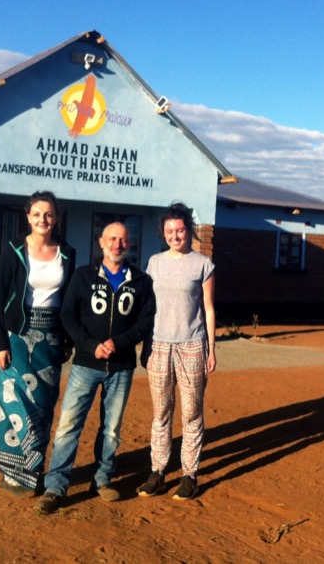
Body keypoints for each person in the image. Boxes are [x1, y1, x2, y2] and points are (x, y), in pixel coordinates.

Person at [35, 222, 156, 513]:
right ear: (101, 242)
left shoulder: (141, 281)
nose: (118, 244)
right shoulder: (83, 276)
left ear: (130, 245)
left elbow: (146, 320)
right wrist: (90, 345)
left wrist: (120, 342)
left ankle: (102, 479)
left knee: (112, 429)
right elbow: (68, 315)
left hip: (122, 367)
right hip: (86, 365)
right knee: (68, 426)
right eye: (112, 238)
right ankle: (56, 486)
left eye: (124, 239)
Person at [0, 191, 76, 496]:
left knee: (42, 407)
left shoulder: (66, 252)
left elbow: (68, 302)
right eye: (37, 214)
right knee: (14, 404)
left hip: (50, 341)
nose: (43, 220)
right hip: (15, 338)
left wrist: (67, 339)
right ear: (28, 216)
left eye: (49, 214)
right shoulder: (14, 251)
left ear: (56, 218)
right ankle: (14, 473)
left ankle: (33, 471)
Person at [137, 202, 217, 501]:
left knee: (192, 412)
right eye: (170, 231)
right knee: (161, 412)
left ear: (189, 230)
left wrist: (211, 349)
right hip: (159, 345)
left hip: (193, 346)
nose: (175, 235)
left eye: (180, 230)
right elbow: (147, 308)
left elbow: (209, 309)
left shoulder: (203, 264)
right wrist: (145, 343)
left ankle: (189, 475)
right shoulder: (154, 263)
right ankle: (157, 472)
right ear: (163, 233)